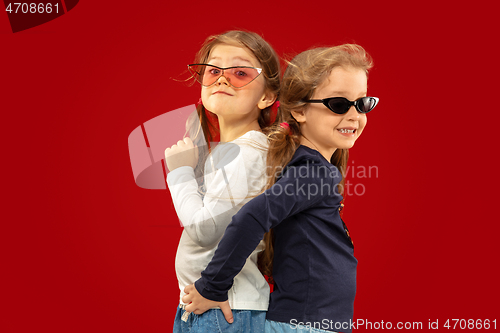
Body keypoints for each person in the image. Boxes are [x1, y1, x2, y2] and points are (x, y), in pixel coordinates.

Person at [182, 44, 379, 333]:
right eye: (339, 104)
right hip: (306, 324)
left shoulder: (309, 168)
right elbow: (251, 218)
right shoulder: (313, 172)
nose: (354, 115)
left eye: (362, 103)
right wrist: (212, 287)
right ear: (299, 110)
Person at [164, 30, 280, 332]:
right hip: (213, 307)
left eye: (240, 73)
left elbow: (204, 231)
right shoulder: (236, 150)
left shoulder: (246, 152)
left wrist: (179, 173)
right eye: (213, 71)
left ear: (267, 97)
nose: (223, 79)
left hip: (224, 310)